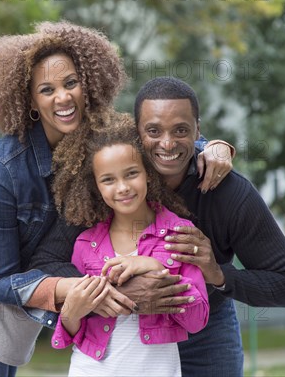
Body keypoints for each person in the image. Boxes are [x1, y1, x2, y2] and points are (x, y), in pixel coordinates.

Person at [30, 76, 285, 377]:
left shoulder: (228, 193)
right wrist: (114, 290)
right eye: (153, 131)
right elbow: (46, 262)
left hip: (205, 329)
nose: (168, 143)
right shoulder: (111, 187)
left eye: (182, 131)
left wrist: (217, 273)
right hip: (125, 340)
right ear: (136, 132)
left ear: (198, 131)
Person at [0, 21, 128, 377]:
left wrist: (210, 149)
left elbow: (156, 140)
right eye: (47, 89)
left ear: (88, 85)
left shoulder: (101, 138)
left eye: (71, 83)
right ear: (31, 101)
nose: (63, 97)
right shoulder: (3, 169)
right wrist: (70, 288)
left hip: (22, 301)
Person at [50, 114, 209, 376]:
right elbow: (71, 330)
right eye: (109, 180)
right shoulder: (85, 244)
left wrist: (155, 267)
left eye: (131, 173)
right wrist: (70, 314)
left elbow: (197, 319)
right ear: (97, 187)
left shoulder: (179, 234)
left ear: (148, 173)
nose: (122, 187)